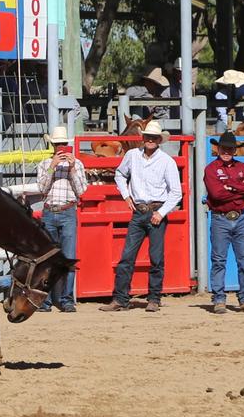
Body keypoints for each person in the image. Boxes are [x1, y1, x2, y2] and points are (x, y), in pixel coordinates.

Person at [99, 122, 182, 313]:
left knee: (155, 258)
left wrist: (161, 213)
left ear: (159, 140)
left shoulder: (166, 161)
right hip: (140, 210)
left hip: (156, 211)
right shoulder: (132, 156)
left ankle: (153, 298)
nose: (150, 140)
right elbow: (120, 174)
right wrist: (126, 196)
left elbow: (176, 192)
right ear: (143, 138)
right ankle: (121, 298)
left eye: (154, 137)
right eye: (148, 137)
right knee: (127, 257)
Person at [203, 132, 244, 314]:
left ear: (234, 150)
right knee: (219, 260)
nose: (227, 151)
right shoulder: (211, 169)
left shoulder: (241, 166)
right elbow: (216, 194)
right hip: (221, 217)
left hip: (239, 217)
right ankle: (219, 299)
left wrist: (230, 185)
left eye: (230, 149)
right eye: (224, 148)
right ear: (218, 149)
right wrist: (240, 186)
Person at [34, 126, 86, 313]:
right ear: (53, 146)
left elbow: (82, 191)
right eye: (58, 145)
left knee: (69, 257)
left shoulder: (77, 164)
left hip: (67, 210)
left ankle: (66, 299)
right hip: (50, 211)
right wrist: (52, 167)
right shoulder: (44, 164)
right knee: (48, 259)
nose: (61, 148)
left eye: (63, 144)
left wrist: (71, 169)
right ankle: (46, 300)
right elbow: (41, 189)